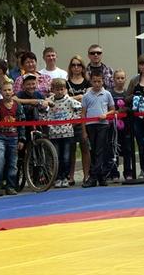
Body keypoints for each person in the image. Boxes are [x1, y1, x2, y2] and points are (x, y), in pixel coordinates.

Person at [81, 68, 116, 187]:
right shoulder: (86, 96)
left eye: (99, 81)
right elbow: (83, 114)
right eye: (94, 81)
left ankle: (93, 176)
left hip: (103, 124)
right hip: (90, 125)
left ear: (103, 81)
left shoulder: (107, 94)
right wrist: (84, 131)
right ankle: (100, 176)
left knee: (100, 149)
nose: (97, 84)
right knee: (93, 150)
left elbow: (112, 109)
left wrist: (105, 115)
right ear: (91, 81)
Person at [47, 78, 82, 188]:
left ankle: (65, 177)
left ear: (65, 89)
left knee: (66, 156)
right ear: (53, 90)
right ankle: (57, 178)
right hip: (54, 133)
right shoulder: (50, 101)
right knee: (56, 156)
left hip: (67, 132)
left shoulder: (69, 100)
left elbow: (80, 108)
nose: (60, 92)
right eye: (57, 89)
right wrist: (48, 123)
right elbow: (43, 111)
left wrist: (74, 121)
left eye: (62, 89)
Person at [0, 82, 24, 195]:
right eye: (5, 90)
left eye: (9, 90)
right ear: (1, 92)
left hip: (14, 137)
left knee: (13, 163)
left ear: (13, 91)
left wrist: (21, 139)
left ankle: (11, 185)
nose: (7, 92)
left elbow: (22, 123)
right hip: (0, 137)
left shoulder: (18, 105)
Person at [66, 55, 90, 185]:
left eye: (79, 65)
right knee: (71, 150)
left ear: (82, 67)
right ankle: (71, 176)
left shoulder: (88, 82)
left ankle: (86, 175)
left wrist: (73, 97)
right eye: (73, 65)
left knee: (85, 147)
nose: (76, 67)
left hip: (83, 119)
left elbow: (88, 98)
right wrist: (80, 96)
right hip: (69, 120)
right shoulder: (66, 82)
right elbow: (64, 98)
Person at [107, 69, 133, 181]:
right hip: (112, 126)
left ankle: (128, 172)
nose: (120, 80)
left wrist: (125, 109)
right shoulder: (109, 93)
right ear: (113, 79)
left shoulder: (128, 93)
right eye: (118, 78)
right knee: (113, 149)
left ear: (125, 79)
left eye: (122, 78)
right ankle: (114, 173)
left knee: (127, 149)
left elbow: (131, 109)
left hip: (126, 126)